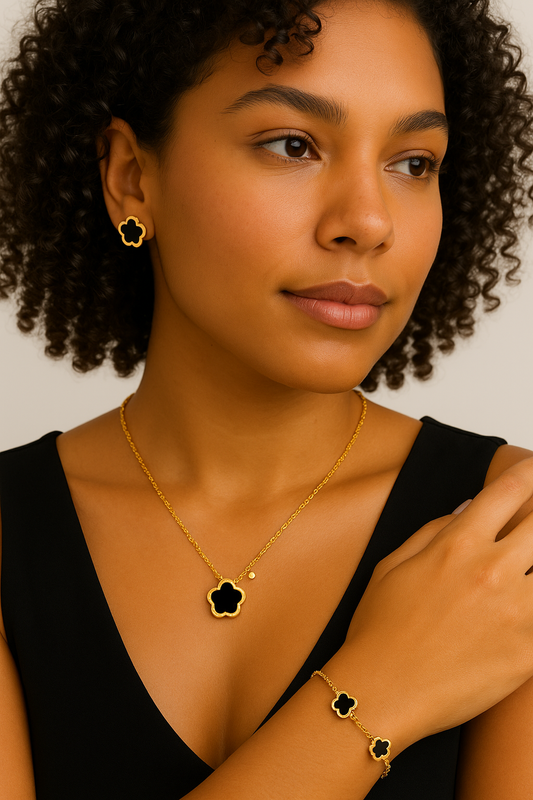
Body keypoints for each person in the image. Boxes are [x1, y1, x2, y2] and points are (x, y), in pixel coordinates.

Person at [0, 0, 532, 797]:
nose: (367, 221)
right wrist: (381, 689)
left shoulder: (505, 538)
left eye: (413, 163)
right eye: (294, 145)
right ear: (131, 177)